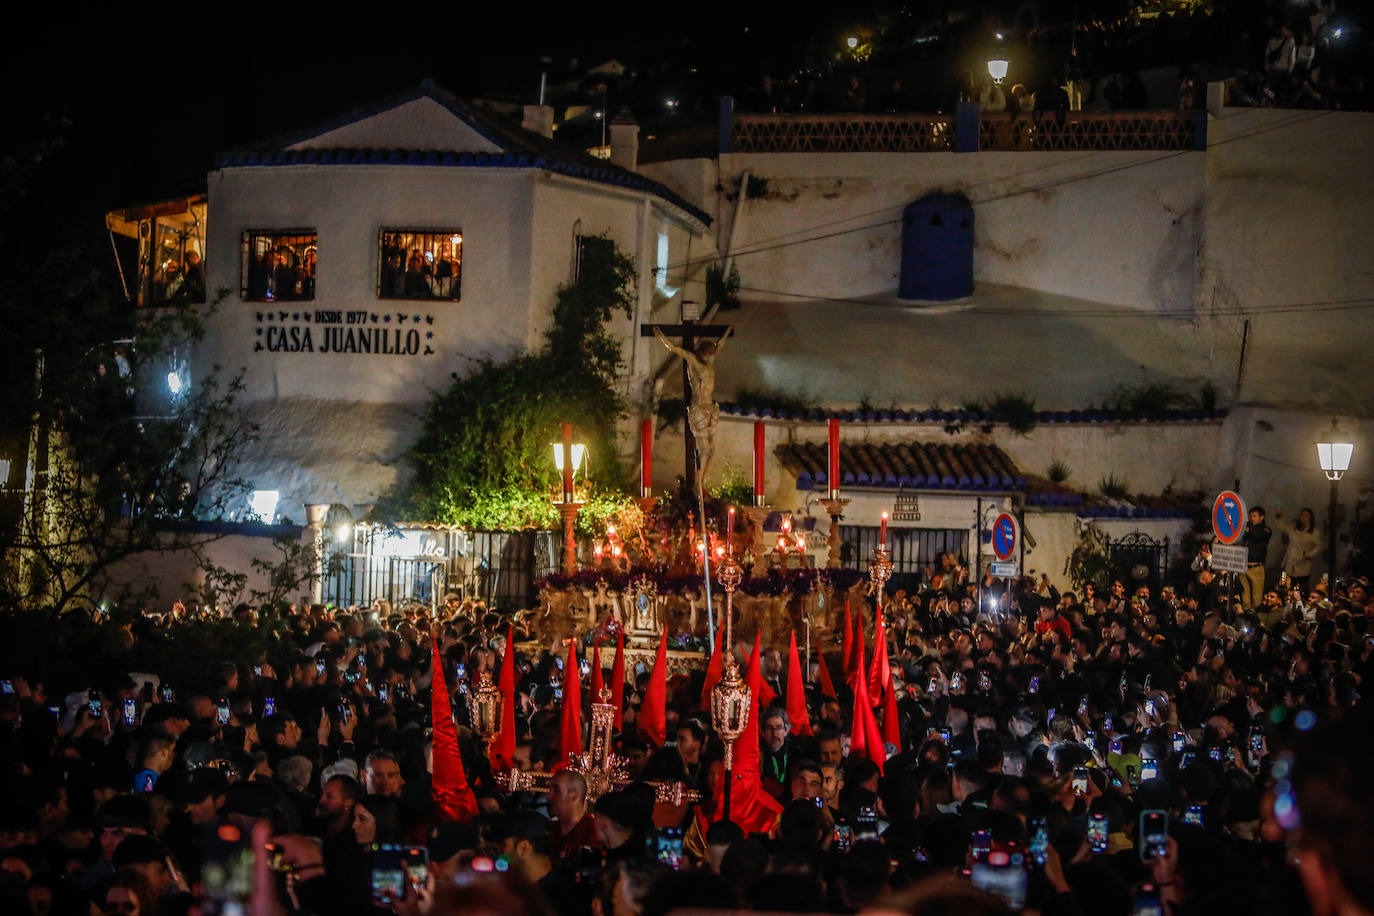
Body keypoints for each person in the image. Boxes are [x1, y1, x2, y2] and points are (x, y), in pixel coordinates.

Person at [1274, 506, 1321, 591]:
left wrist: (1308, 554)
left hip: (1303, 563)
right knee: (1287, 586)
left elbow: (1318, 546)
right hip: (1290, 561)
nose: (1303, 517)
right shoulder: (1292, 528)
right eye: (1302, 515)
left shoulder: (1313, 532)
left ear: (1310, 518)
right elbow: (1281, 526)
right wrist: (1278, 515)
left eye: (1306, 515)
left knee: (1301, 588)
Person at [1242, 506, 1273, 609]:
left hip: (1256, 568)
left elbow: (1256, 535)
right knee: (1245, 601)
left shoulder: (1266, 530)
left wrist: (1247, 526)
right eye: (1251, 516)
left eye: (1254, 516)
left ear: (1262, 517)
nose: (1252, 518)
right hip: (1243, 567)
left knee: (1257, 600)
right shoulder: (1247, 529)